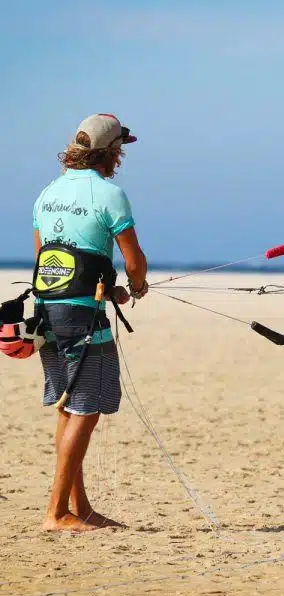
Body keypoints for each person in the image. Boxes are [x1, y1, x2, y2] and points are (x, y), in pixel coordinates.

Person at [32, 114, 149, 531]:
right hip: (83, 315)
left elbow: (45, 258)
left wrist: (111, 290)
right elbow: (134, 262)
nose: (121, 157)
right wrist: (136, 286)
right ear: (111, 151)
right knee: (87, 408)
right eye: (121, 149)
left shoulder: (47, 193)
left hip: (47, 312)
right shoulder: (110, 194)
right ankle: (57, 512)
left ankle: (78, 506)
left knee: (68, 406)